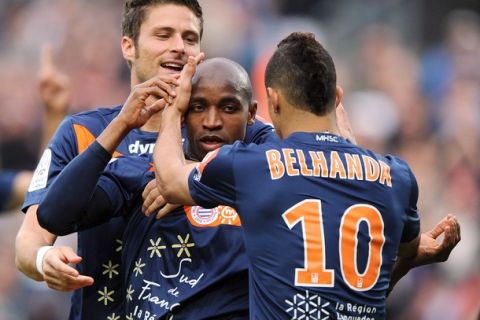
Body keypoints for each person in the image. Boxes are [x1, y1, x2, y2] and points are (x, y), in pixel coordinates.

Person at [154, 33, 461, 319]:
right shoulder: (397, 178)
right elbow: (400, 256)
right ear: (337, 97)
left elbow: (169, 180)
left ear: (272, 100)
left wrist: (173, 109)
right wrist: (416, 257)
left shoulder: (249, 167)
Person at [15, 1, 208, 319]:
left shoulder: (217, 133)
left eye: (189, 38)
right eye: (163, 35)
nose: (178, 47)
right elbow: (29, 241)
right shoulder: (81, 132)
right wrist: (43, 259)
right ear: (128, 47)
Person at [37, 57, 268, 319]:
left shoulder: (270, 179)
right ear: (181, 113)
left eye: (229, 108)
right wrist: (121, 123)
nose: (212, 121)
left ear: (251, 114)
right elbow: (52, 215)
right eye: (197, 107)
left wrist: (192, 181)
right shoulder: (142, 176)